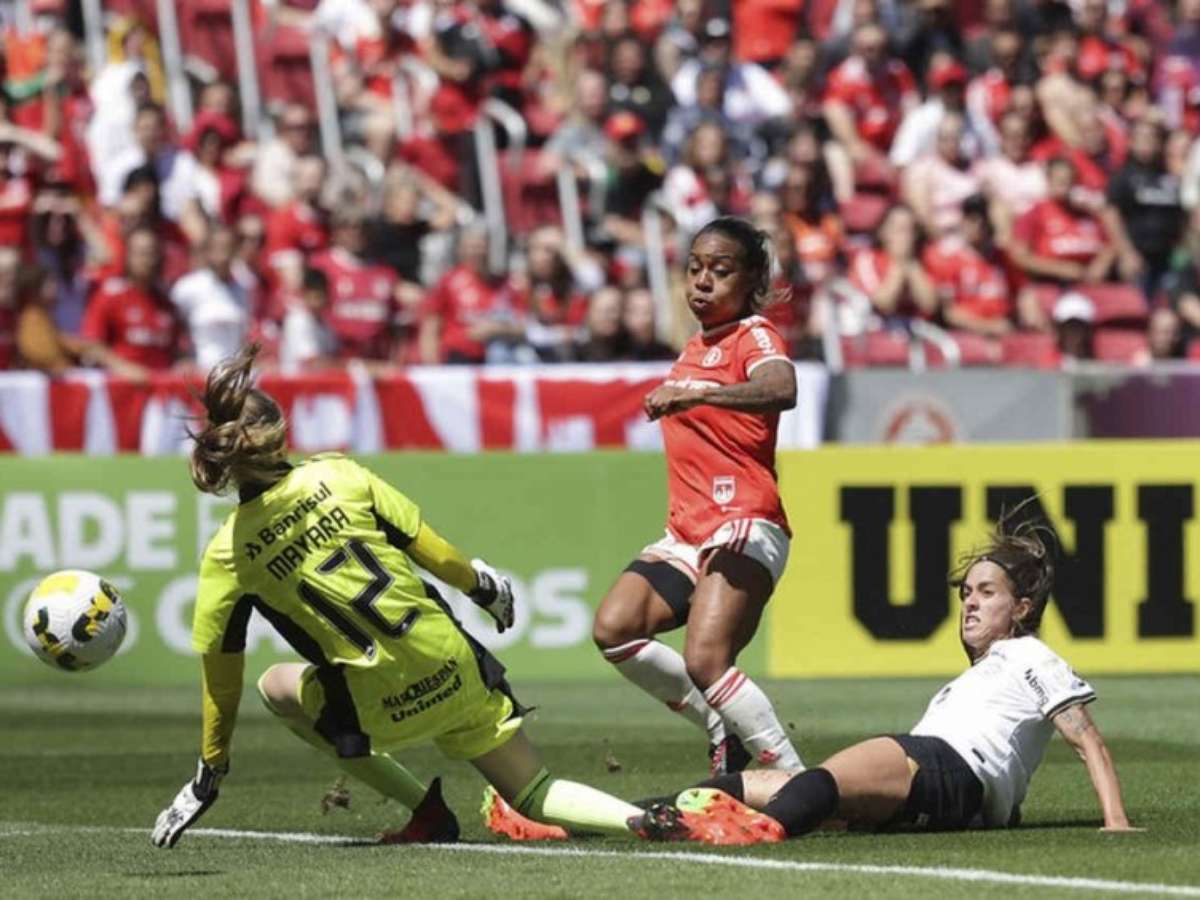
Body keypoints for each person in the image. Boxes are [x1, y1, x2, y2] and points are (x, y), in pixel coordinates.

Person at [150, 345, 728, 849]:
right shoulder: (341, 476)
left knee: (276, 686)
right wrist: (485, 589)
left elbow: (219, 681)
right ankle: (646, 819)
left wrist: (211, 769)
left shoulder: (228, 553)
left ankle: (423, 810)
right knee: (532, 791)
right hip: (450, 666)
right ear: (280, 432)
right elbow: (436, 555)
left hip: (374, 701)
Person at [640, 518, 1138, 842]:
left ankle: (750, 833)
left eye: (987, 593)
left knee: (821, 780)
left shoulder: (1030, 654)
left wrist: (1115, 821)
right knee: (753, 785)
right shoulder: (981, 675)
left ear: (1023, 608)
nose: (970, 602)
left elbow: (1086, 738)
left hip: (948, 767)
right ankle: (633, 816)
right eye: (967, 592)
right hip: (943, 791)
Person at [592, 216, 803, 776]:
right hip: (687, 531)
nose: (702, 283)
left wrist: (693, 396)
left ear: (752, 279)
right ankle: (719, 722)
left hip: (745, 519)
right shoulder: (695, 346)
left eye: (720, 270)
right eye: (694, 270)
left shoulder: (752, 335)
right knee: (614, 629)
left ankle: (795, 780)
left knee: (706, 659)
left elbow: (782, 388)